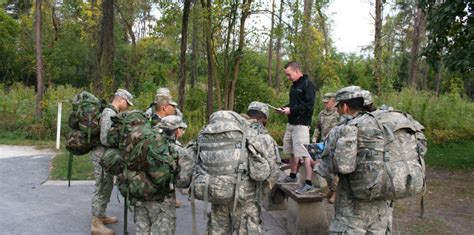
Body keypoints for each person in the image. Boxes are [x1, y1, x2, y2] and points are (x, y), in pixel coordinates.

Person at [313, 86, 393, 234]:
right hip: (382, 208)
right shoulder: (385, 127)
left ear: (344, 107)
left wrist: (317, 164)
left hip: (351, 211)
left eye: (338, 106)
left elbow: (329, 169)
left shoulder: (342, 130)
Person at [132, 115, 186, 234]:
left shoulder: (144, 142)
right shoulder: (176, 149)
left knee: (142, 230)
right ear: (177, 130)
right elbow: (182, 179)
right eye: (182, 129)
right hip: (162, 198)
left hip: (140, 193)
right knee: (162, 229)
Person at [90, 89, 134, 235]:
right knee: (102, 187)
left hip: (106, 157)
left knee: (107, 186)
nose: (127, 106)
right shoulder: (109, 113)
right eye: (127, 103)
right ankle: (96, 224)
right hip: (102, 157)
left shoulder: (112, 112)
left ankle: (101, 216)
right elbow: (104, 138)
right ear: (121, 99)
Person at [277, 61, 317, 194]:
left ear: (296, 71)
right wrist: (284, 108)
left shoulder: (308, 85)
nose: (288, 78)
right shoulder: (294, 86)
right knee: (292, 151)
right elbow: (294, 104)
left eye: (289, 75)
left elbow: (308, 106)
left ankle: (308, 182)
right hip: (291, 124)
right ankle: (293, 176)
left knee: (304, 153)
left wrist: (291, 110)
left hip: (302, 125)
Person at [310, 92, 339, 203]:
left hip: (334, 144)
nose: (325, 104)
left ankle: (335, 193)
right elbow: (317, 127)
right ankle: (330, 189)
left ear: (333, 102)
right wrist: (314, 138)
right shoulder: (322, 114)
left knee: (334, 170)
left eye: (327, 102)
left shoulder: (338, 114)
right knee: (325, 168)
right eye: (324, 102)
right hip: (323, 144)